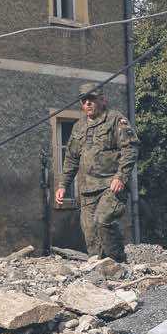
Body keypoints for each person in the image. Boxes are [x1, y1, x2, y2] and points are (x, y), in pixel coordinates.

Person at [56, 90, 137, 261]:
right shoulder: (79, 127)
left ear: (102, 100)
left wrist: (121, 176)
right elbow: (71, 158)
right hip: (87, 190)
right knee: (90, 232)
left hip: (110, 185)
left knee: (103, 219)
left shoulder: (116, 119)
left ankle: (118, 262)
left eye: (92, 99)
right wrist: (63, 185)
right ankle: (99, 269)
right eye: (84, 101)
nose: (88, 104)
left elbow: (130, 149)